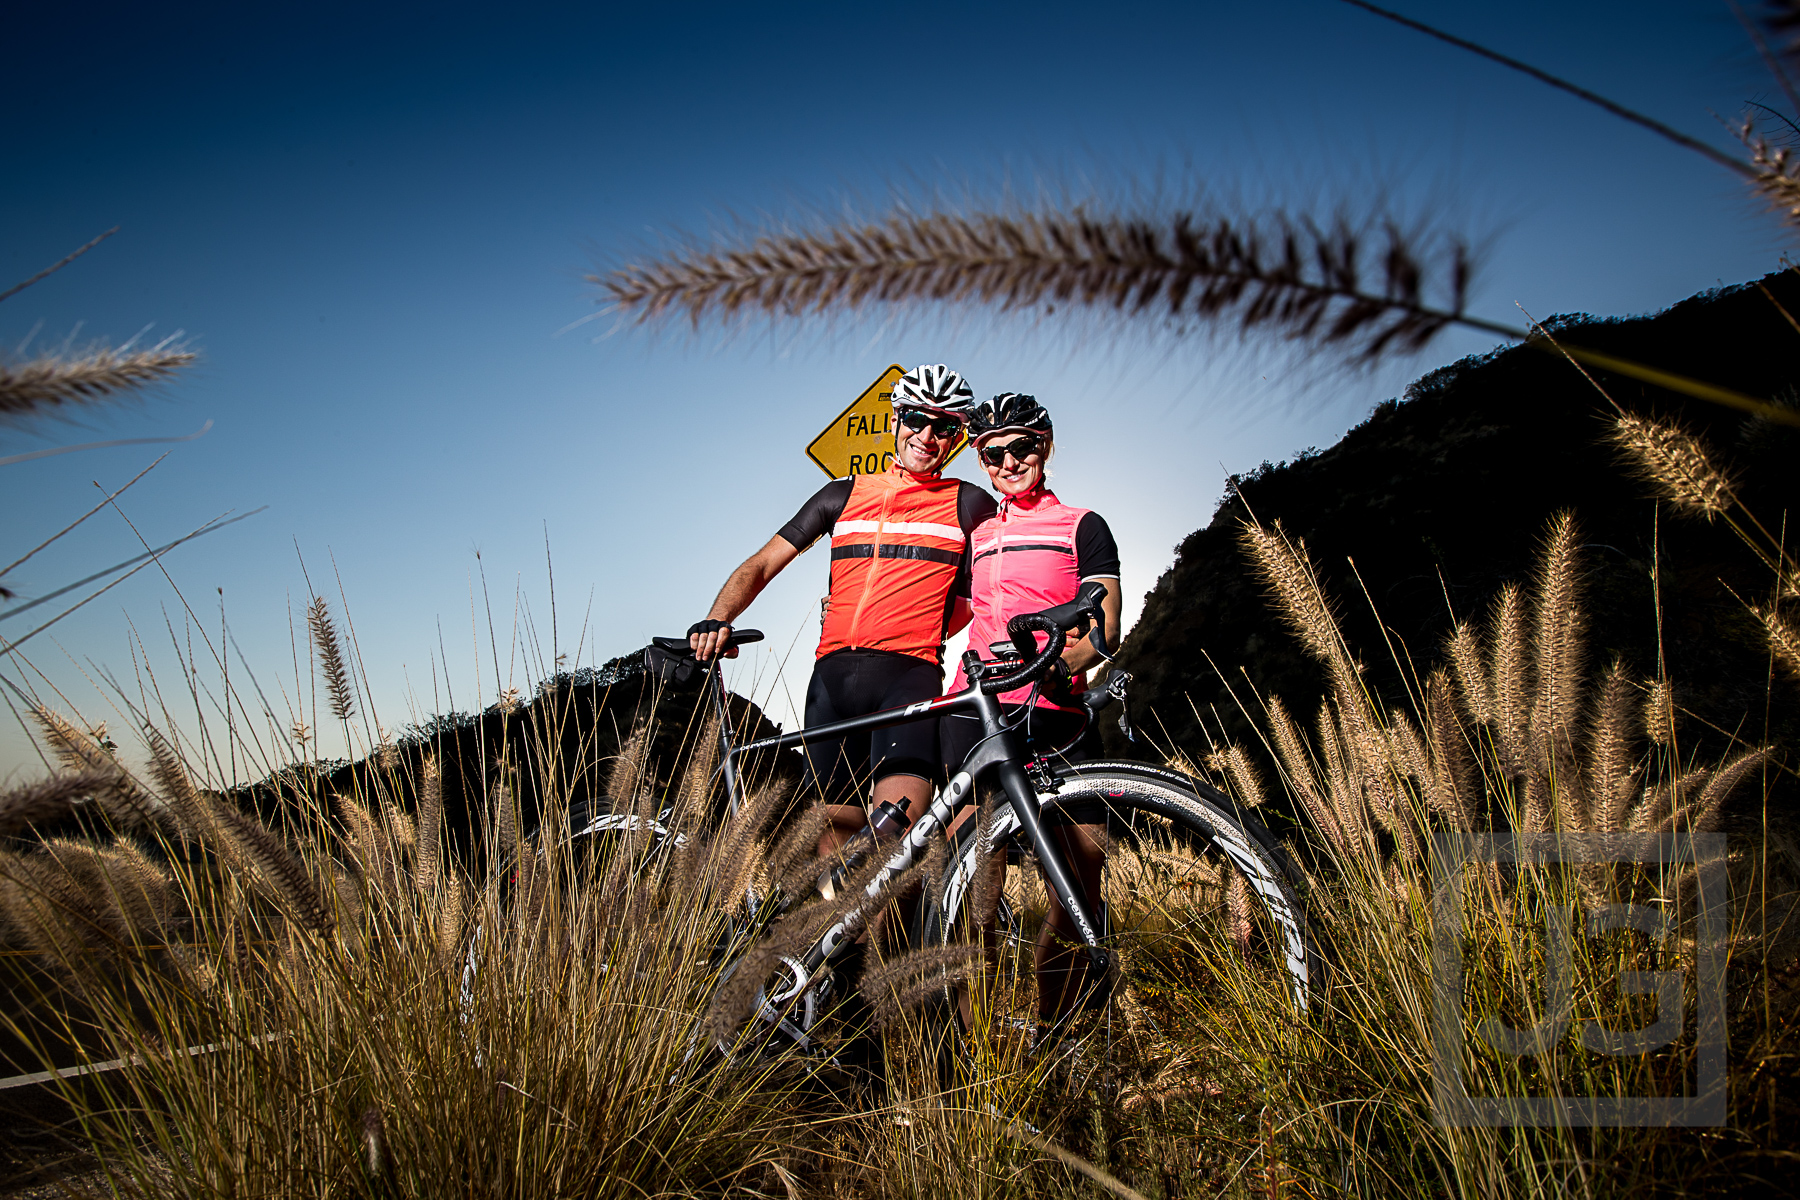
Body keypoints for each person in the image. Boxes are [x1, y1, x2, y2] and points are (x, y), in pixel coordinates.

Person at [688, 364, 998, 853]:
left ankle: (913, 928)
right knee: (833, 860)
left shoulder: (969, 502)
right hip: (830, 683)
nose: (927, 435)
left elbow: (989, 593)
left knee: (897, 847)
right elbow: (764, 563)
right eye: (917, 417)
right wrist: (718, 617)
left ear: (956, 436)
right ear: (897, 419)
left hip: (908, 679)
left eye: (944, 427)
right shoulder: (843, 493)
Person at [938, 392, 1123, 1027]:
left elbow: (1107, 623)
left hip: (1060, 716)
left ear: (1043, 447)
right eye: (992, 453)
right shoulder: (979, 533)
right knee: (975, 892)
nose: (1007, 461)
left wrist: (1061, 667)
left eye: (1021, 447)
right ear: (981, 459)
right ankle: (974, 1049)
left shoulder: (1082, 524)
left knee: (1079, 886)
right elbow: (954, 610)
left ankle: (1050, 1031)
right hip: (981, 715)